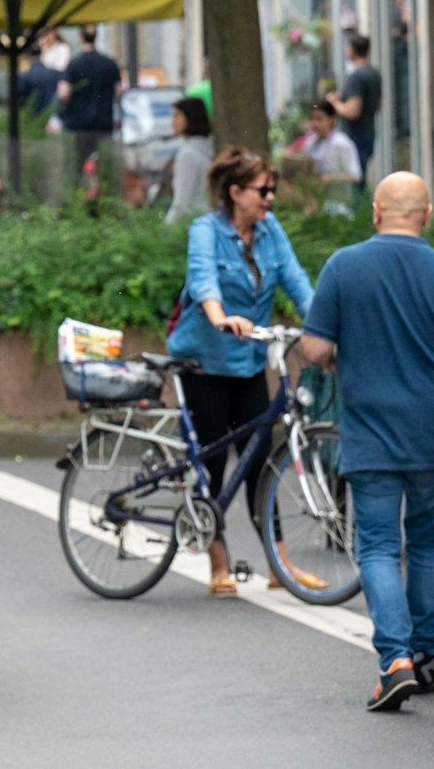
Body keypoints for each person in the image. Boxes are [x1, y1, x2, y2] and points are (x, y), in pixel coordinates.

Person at [301, 173, 434, 710]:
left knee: (378, 545)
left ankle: (394, 659)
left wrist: (338, 355)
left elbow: (313, 348)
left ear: (376, 211)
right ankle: (424, 656)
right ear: (426, 214)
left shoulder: (344, 266)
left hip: (372, 433)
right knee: (427, 544)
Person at [165, 146, 315, 596]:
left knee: (261, 464)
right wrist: (217, 315)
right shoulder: (206, 230)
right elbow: (203, 278)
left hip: (249, 361)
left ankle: (279, 566)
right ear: (235, 192)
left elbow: (297, 281)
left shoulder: (270, 234)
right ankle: (217, 561)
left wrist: (323, 328)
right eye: (262, 190)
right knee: (209, 462)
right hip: (205, 364)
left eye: (272, 190)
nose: (270, 198)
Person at [58, 26, 122, 162]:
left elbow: (64, 93)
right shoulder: (110, 64)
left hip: (79, 125)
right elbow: (119, 92)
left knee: (78, 164)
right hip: (104, 123)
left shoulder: (74, 64)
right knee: (103, 164)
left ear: (80, 38)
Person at [326, 33, 381, 184]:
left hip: (355, 136)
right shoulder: (374, 74)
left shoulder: (356, 77)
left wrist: (334, 103)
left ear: (352, 50)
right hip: (369, 133)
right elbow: (377, 105)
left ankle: (360, 207)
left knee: (355, 180)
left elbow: (352, 111)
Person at [163, 96, 214, 223]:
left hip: (192, 224)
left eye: (177, 115)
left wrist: (164, 231)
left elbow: (181, 202)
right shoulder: (209, 148)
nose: (172, 121)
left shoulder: (187, 155)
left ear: (190, 117)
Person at [303, 98, 363, 184]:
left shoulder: (341, 143)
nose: (315, 124)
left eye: (320, 119)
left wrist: (330, 178)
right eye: (312, 119)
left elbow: (355, 176)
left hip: (337, 195)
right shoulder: (311, 143)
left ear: (332, 119)